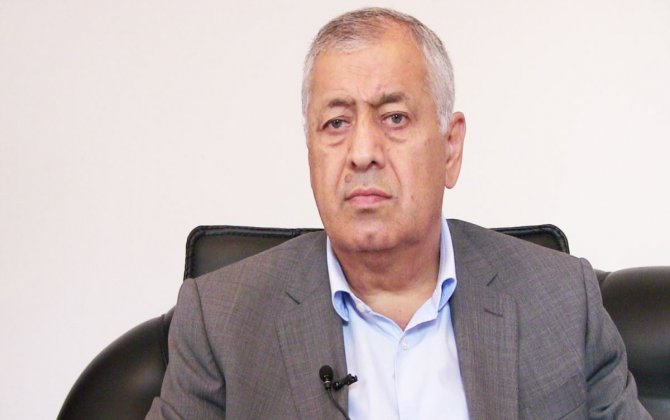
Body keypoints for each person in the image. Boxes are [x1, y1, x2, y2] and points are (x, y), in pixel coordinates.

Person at [146, 7, 650, 419]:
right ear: (310, 152)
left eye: (393, 117)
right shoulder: (221, 321)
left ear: (450, 148)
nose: (363, 152)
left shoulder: (563, 302)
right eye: (336, 123)